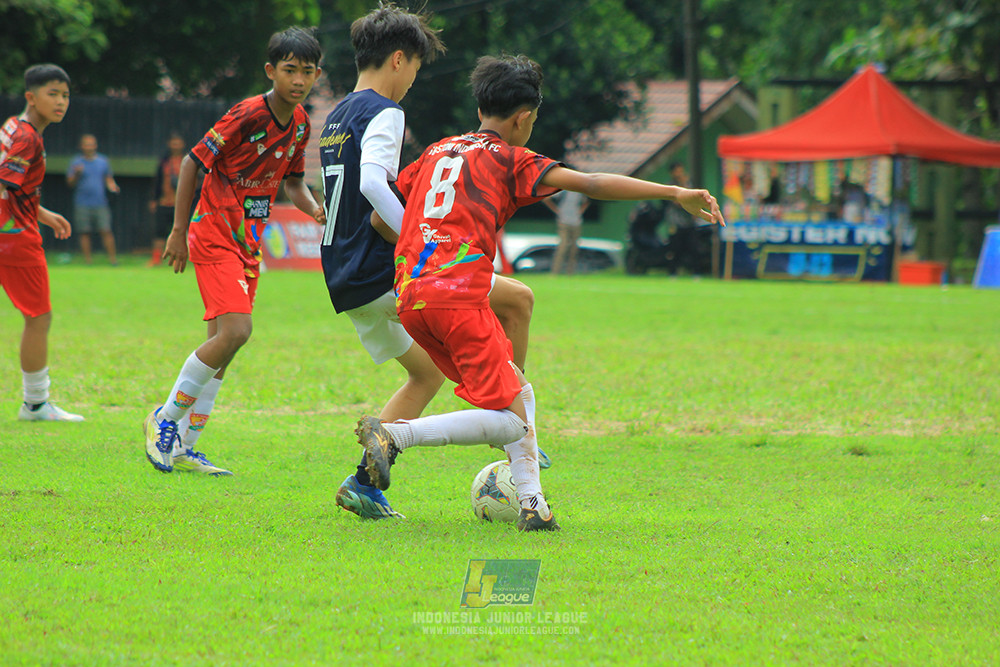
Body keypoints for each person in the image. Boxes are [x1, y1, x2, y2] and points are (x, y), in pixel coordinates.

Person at [355, 54, 725, 531]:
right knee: (509, 419)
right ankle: (395, 437)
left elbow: (381, 220)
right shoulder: (509, 157)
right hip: (459, 297)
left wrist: (426, 242)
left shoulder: (434, 152)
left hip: (412, 297)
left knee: (518, 393)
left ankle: (533, 506)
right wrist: (674, 192)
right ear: (523, 117)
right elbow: (591, 183)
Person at [319, 4, 545, 522]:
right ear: (399, 59)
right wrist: (421, 241)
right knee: (517, 299)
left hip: (343, 276)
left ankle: (363, 485)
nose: (413, 82)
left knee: (424, 377)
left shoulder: (336, 114)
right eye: (417, 69)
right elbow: (373, 183)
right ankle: (511, 425)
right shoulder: (385, 110)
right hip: (386, 270)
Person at [143, 27, 325, 475]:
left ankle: (186, 445)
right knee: (238, 331)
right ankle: (162, 419)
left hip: (248, 244)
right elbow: (192, 162)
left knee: (224, 345)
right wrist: (178, 230)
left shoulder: (301, 123)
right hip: (213, 235)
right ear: (270, 71)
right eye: (289, 70)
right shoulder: (246, 113)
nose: (298, 80)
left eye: (306, 72)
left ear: (316, 74)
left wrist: (314, 209)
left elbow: (294, 181)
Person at [0, 64, 84, 422]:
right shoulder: (28, 137)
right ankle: (35, 404)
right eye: (53, 94)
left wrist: (42, 213)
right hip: (14, 240)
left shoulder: (13, 126)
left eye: (65, 95)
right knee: (39, 316)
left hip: (16, 229)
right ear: (31, 97)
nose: (61, 101)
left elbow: (13, 187)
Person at [67, 133, 119, 265]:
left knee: (106, 230)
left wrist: (113, 187)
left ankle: (113, 260)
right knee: (84, 232)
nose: (89, 147)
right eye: (86, 144)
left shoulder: (103, 161)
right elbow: (70, 183)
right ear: (81, 146)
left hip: (100, 202)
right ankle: (88, 261)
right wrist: (77, 174)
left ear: (95, 145)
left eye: (91, 144)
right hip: (82, 202)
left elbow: (108, 179)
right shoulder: (76, 162)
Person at [147, 131, 186, 267]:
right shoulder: (164, 162)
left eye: (178, 143)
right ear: (169, 144)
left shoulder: (187, 161)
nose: (175, 145)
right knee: (159, 232)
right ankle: (157, 259)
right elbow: (157, 181)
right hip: (164, 202)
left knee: (184, 231)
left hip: (181, 204)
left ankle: (182, 259)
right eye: (173, 143)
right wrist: (154, 199)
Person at [544, 186, 589, 275]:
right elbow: (546, 199)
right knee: (562, 246)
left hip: (576, 222)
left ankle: (570, 273)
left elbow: (587, 201)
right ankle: (555, 272)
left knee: (573, 248)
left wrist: (580, 211)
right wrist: (557, 211)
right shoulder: (563, 191)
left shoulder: (580, 191)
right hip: (563, 222)